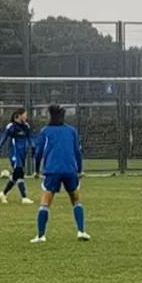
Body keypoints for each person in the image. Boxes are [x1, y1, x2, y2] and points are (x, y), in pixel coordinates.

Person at [31, 104, 90, 243]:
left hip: (52, 170)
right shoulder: (71, 130)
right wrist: (80, 170)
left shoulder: (46, 131)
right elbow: (77, 152)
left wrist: (36, 170)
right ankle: (81, 231)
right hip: (70, 170)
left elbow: (38, 152)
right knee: (76, 200)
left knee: (45, 203)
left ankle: (41, 236)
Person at [0, 107, 34, 204]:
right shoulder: (11, 126)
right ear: (19, 116)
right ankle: (24, 197)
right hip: (14, 153)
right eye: (25, 115)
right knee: (19, 173)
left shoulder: (26, 126)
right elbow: (3, 139)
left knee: (16, 175)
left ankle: (3, 193)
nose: (26, 117)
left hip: (22, 154)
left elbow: (29, 138)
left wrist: (33, 147)